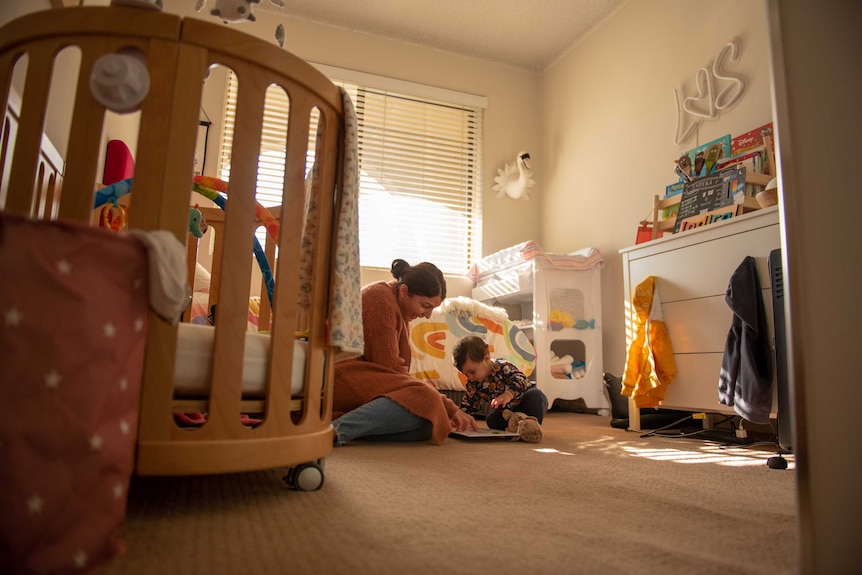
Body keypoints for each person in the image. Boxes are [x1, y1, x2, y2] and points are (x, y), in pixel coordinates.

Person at [331, 259, 477, 445]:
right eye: (425, 306)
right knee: (427, 400)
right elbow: (388, 368)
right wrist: (449, 407)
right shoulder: (380, 300)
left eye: (432, 308)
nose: (427, 315)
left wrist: (444, 409)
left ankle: (352, 429)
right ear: (404, 291)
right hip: (345, 378)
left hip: (370, 382)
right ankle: (336, 430)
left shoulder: (398, 307)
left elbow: (396, 375)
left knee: (430, 423)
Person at [452, 335, 548, 431]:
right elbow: (469, 404)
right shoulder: (473, 383)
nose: (470, 378)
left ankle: (531, 428)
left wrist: (509, 394)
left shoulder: (502, 367)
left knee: (535, 395)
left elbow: (520, 380)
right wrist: (459, 418)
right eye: (466, 374)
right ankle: (515, 428)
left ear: (486, 359)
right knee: (491, 420)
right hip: (508, 412)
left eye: (472, 372)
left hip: (525, 401)